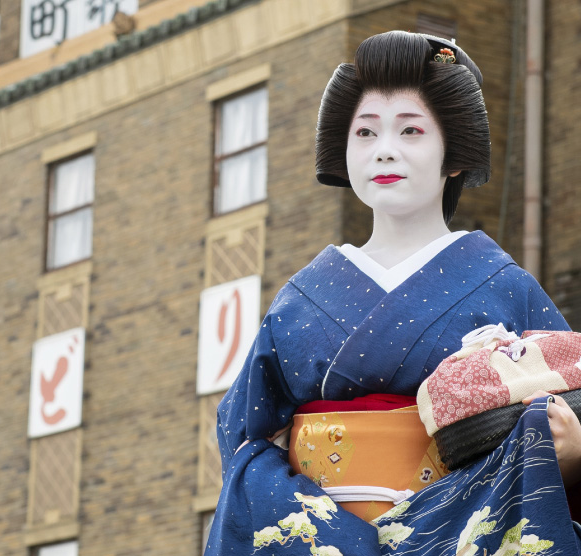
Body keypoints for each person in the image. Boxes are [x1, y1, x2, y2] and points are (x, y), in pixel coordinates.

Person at [205, 31, 581, 555]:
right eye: (365, 133)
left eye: (410, 131)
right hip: (318, 532)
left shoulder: (503, 284)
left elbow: (571, 399)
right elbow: (243, 436)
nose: (384, 151)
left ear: (453, 155)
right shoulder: (302, 296)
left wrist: (569, 447)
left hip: (465, 529)